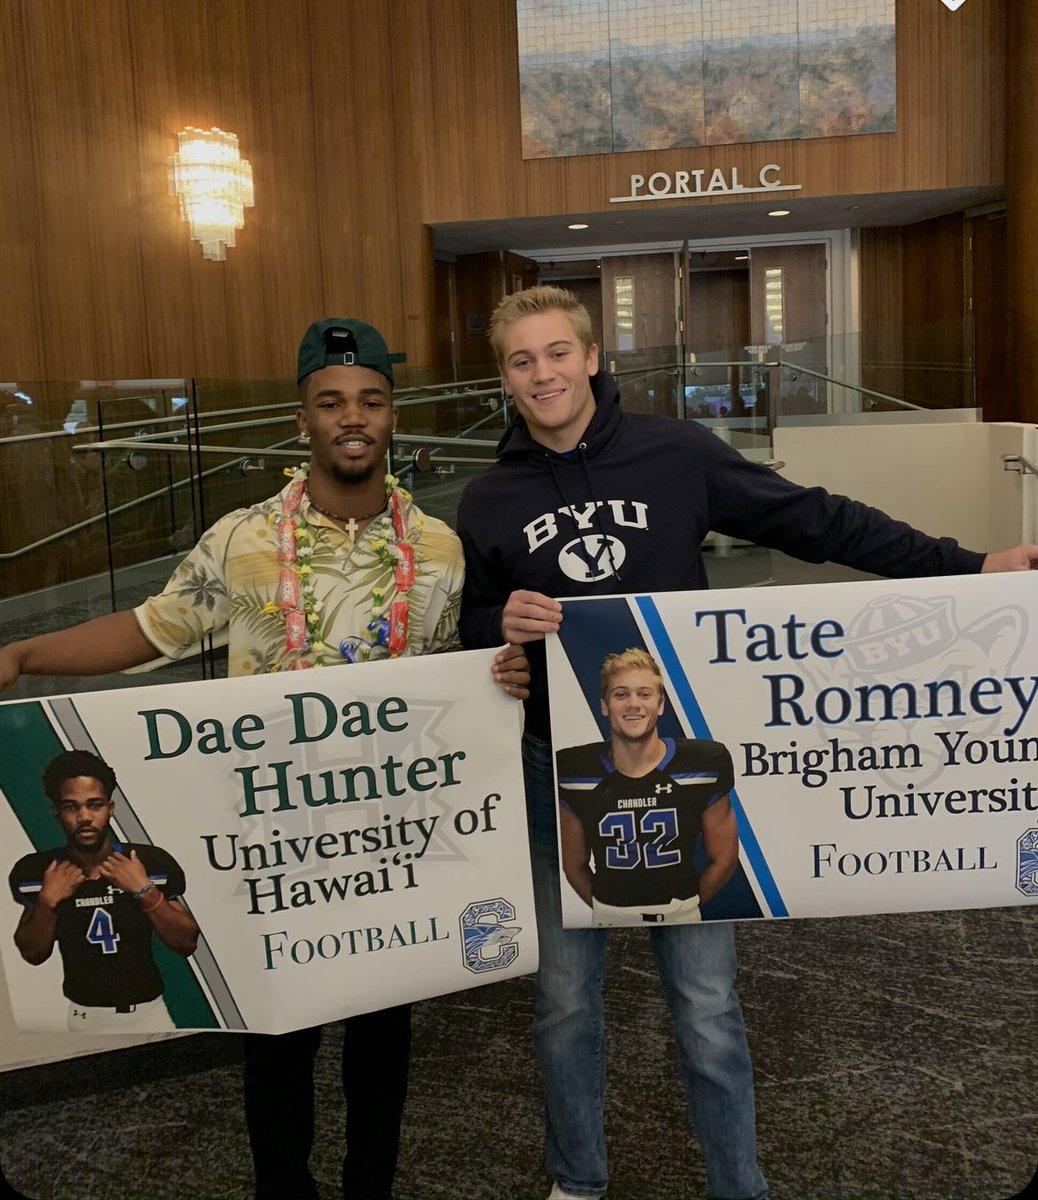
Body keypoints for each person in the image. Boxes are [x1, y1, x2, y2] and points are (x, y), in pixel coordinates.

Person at [455, 283, 1038, 1200]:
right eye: (522, 361)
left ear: (593, 357)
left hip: (680, 770)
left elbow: (818, 519)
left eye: (558, 352)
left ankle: (739, 1185)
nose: (544, 373)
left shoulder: (675, 454)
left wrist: (969, 566)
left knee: (707, 1006)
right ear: (505, 378)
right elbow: (473, 629)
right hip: (558, 775)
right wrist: (501, 627)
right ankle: (576, 1182)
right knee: (564, 1003)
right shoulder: (488, 498)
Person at [0, 316, 530, 1200]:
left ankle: (371, 1187)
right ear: (303, 420)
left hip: (388, 841)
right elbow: (149, 630)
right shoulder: (244, 538)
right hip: (274, 844)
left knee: (382, 1035)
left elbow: (457, 673)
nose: (350, 417)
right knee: (276, 1035)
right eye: (330, 403)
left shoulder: (436, 548)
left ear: (392, 416)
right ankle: (283, 1189)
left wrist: (502, 668)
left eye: (369, 401)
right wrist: (21, 654)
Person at [8, 748, 199, 1032]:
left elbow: (187, 942)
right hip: (84, 1015)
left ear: (110, 808)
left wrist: (145, 891)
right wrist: (47, 902)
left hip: (151, 1011)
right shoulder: (39, 872)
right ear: (57, 812)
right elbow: (33, 954)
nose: (84, 817)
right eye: (71, 806)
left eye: (94, 804)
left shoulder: (148, 863)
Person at [556, 648, 739, 926]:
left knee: (706, 971)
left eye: (644, 694)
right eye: (621, 694)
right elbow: (573, 865)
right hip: (608, 912)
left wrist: (690, 904)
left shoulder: (702, 763)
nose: (633, 704)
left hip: (682, 908)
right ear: (604, 705)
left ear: (660, 704)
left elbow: (725, 857)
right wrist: (605, 907)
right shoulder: (575, 771)